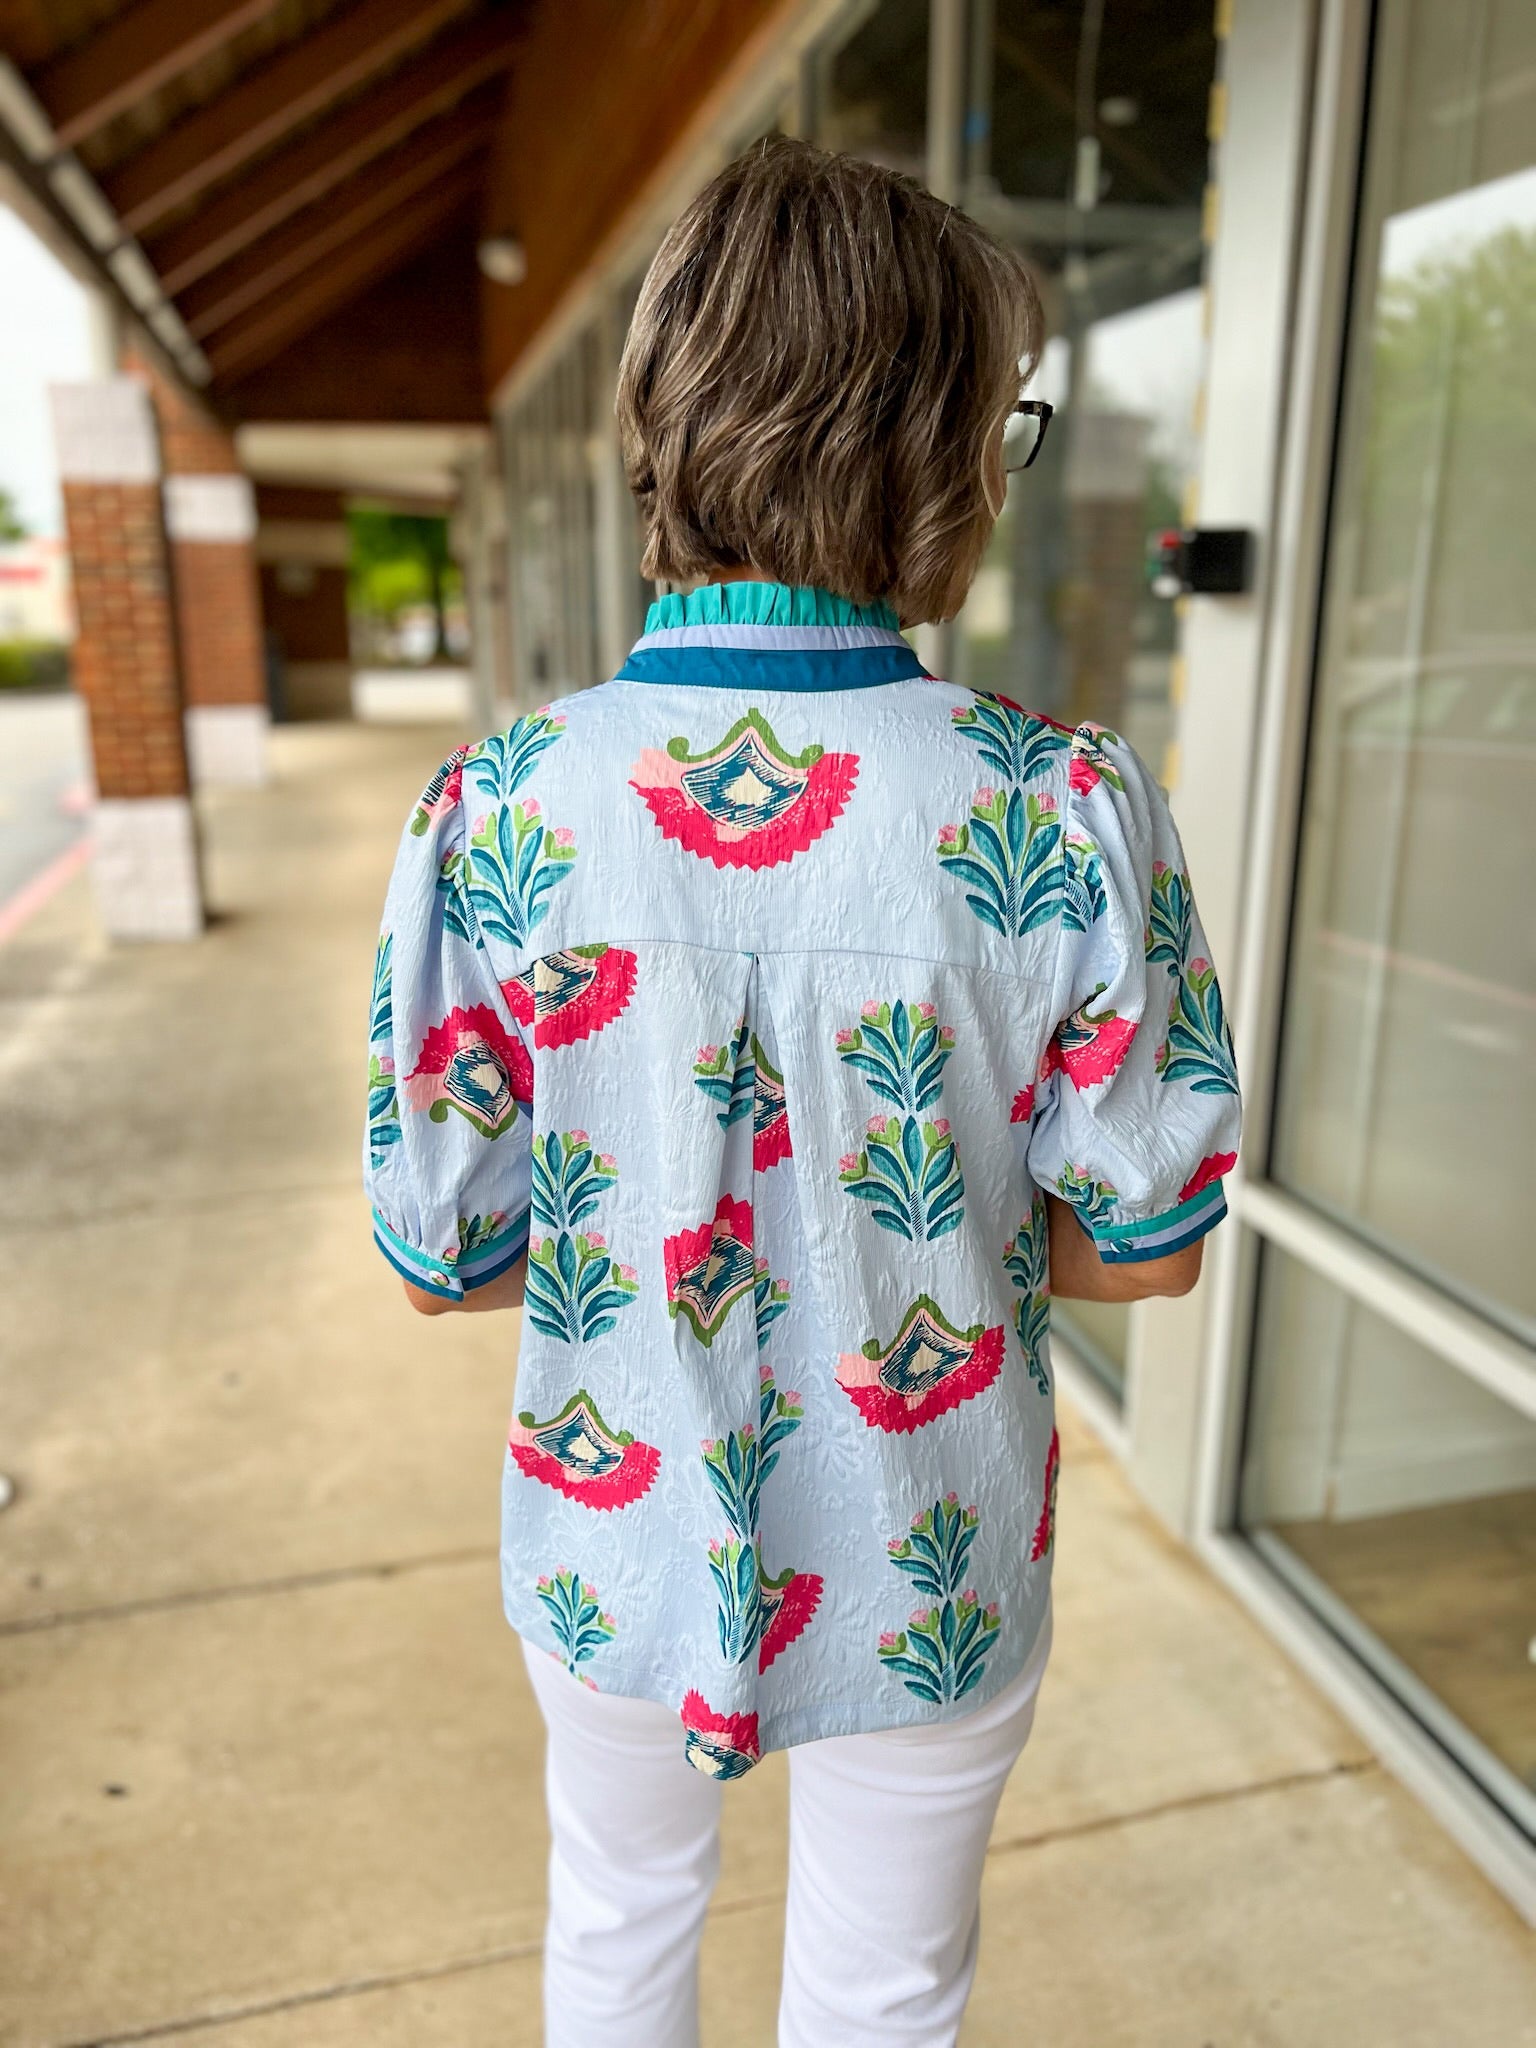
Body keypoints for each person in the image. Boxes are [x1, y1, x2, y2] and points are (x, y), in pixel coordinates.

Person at [364, 137, 1241, 2048]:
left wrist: (656, 1233)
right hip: (930, 1544)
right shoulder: (1064, 808)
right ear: (937, 447)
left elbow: (443, 1250)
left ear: (665, 417)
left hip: (608, 1540)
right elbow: (1147, 1257)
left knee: (613, 1937)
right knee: (888, 1996)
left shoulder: (498, 808)